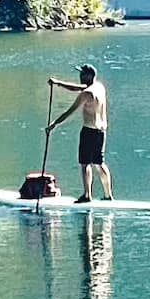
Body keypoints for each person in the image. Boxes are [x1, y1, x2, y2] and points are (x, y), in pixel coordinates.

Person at [48, 62, 112, 201]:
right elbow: (78, 88)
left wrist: (54, 125)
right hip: (101, 131)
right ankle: (108, 195)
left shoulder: (86, 94)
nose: (80, 76)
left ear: (87, 76)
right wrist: (58, 83)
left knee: (85, 164)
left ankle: (87, 195)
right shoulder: (99, 87)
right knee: (99, 163)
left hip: (89, 131)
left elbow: (69, 112)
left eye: (82, 74)